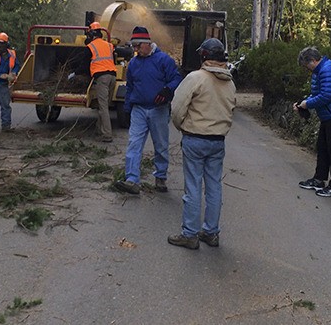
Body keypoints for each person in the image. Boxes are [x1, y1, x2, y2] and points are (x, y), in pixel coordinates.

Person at [168, 38, 235, 250]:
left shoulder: (195, 78)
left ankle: (189, 234)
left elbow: (178, 107)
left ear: (204, 56)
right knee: (214, 186)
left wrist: (181, 127)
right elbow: (230, 110)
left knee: (193, 187)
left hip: (195, 138)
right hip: (217, 141)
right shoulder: (230, 82)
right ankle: (211, 232)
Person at [114, 26, 182, 195]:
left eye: (138, 46)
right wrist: (128, 107)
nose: (135, 50)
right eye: (134, 47)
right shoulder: (134, 63)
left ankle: (160, 177)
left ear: (147, 43)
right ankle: (131, 180)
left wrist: (167, 90)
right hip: (139, 109)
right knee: (134, 144)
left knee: (160, 145)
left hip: (158, 109)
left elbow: (176, 78)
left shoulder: (164, 60)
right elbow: (130, 87)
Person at [295, 46, 331, 198]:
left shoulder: (328, 70)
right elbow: (317, 93)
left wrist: (307, 104)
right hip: (329, 115)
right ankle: (319, 179)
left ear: (313, 61)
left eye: (306, 65)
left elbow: (327, 96)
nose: (306, 69)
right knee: (322, 147)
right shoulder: (319, 71)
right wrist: (304, 101)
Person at [85, 22, 116, 143]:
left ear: (92, 34)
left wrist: (76, 73)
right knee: (104, 106)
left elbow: (85, 64)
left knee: (103, 107)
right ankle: (99, 130)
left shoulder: (91, 47)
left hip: (102, 78)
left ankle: (107, 135)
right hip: (112, 76)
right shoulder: (109, 45)